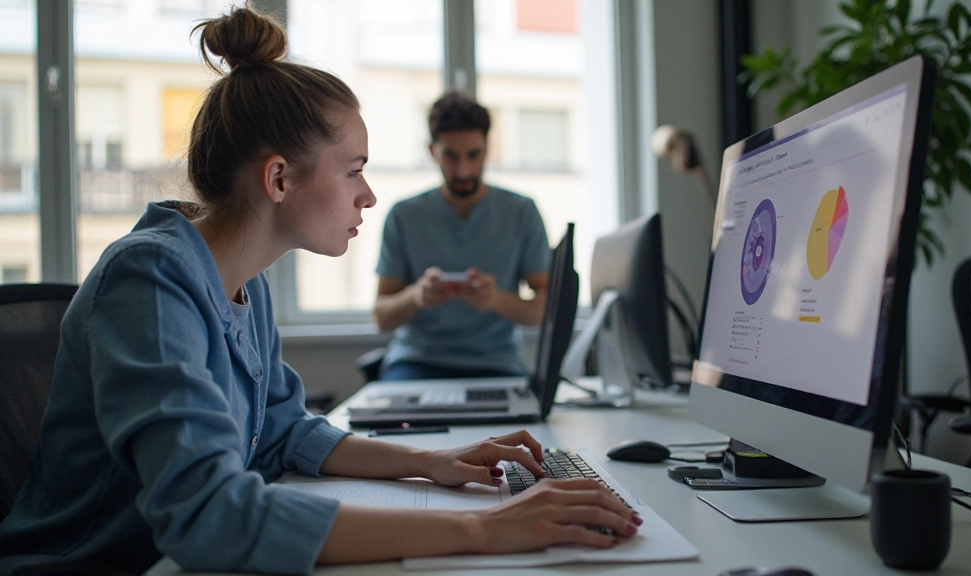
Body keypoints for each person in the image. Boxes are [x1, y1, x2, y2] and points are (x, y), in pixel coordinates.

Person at [0, 8, 639, 575]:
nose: (369, 195)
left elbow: (284, 434)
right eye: (355, 170)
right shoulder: (151, 279)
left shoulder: (244, 281)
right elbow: (207, 515)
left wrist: (434, 462)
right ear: (278, 178)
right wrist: (482, 529)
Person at [372, 91, 552, 381]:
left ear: (487, 148)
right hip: (417, 363)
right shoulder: (404, 216)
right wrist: (416, 295)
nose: (463, 170)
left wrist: (495, 300)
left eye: (474, 155)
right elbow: (381, 317)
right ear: (432, 151)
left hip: (498, 364)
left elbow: (545, 310)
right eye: (451, 157)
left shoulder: (521, 212)